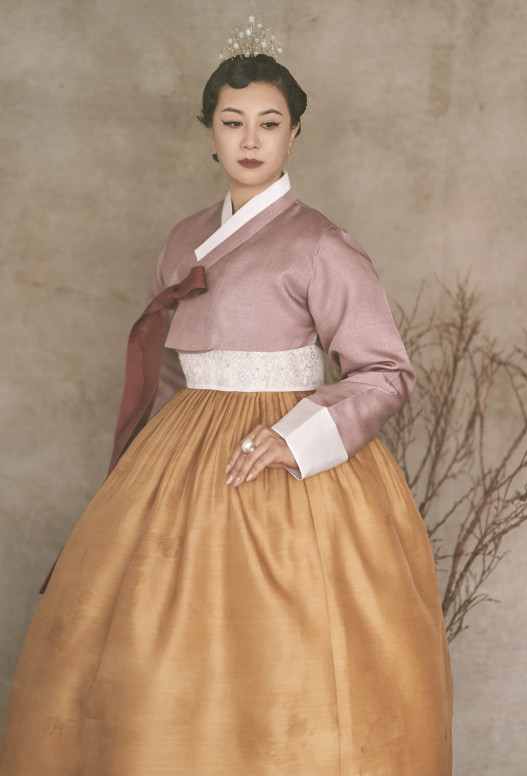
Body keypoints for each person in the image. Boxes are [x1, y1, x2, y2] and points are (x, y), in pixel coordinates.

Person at [0, 18, 452, 776]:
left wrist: (293, 437)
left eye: (269, 123)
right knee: (151, 637)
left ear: (295, 134)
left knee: (287, 645)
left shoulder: (321, 244)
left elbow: (385, 372)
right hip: (182, 452)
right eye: (232, 121)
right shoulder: (182, 239)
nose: (250, 139)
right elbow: (171, 368)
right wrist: (146, 463)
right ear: (210, 133)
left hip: (285, 454)